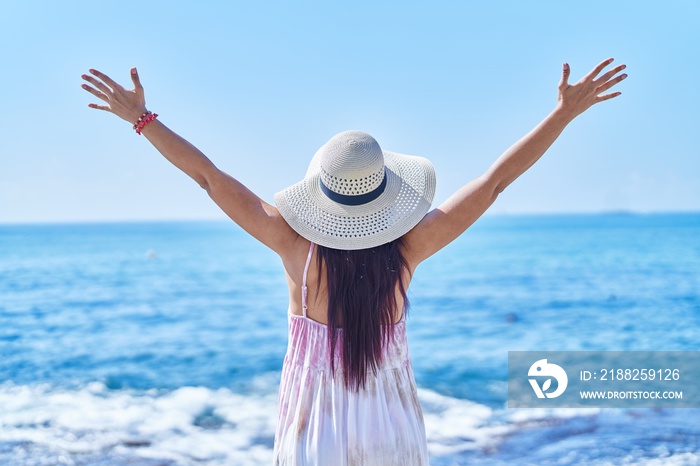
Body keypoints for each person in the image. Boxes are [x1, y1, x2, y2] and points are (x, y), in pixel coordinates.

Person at [81, 58, 627, 465]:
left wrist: (143, 119)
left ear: (322, 193)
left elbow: (209, 178)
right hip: (394, 434)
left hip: (314, 438)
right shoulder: (410, 250)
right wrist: (563, 114)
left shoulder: (295, 248)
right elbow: (495, 183)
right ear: (386, 193)